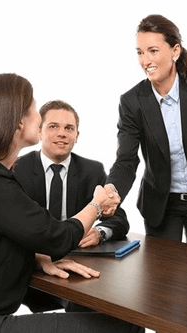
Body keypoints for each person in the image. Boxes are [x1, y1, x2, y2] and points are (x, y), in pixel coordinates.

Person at [0, 72, 141, 332]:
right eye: (35, 109)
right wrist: (96, 205)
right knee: (126, 327)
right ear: (17, 122)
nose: (40, 118)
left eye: (68, 127)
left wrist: (36, 258)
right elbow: (56, 236)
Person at [106, 14, 187, 246]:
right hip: (160, 204)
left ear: (175, 51)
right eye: (140, 52)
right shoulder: (132, 101)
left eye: (153, 50)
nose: (145, 60)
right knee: (161, 275)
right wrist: (111, 191)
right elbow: (126, 160)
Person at [14, 100, 130, 313]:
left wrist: (99, 233)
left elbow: (120, 218)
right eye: (53, 126)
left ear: (77, 135)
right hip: (35, 266)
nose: (62, 133)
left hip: (78, 263)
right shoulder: (17, 169)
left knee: (118, 307)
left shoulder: (91, 170)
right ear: (39, 132)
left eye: (69, 128)